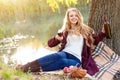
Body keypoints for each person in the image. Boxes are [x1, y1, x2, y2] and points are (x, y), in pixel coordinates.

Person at [16, 8, 105, 76]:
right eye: (71, 16)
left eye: (76, 15)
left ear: (79, 17)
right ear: (68, 18)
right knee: (56, 56)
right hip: (65, 52)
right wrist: (57, 38)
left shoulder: (86, 30)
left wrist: (103, 33)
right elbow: (49, 44)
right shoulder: (65, 31)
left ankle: (28, 69)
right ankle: (26, 66)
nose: (74, 17)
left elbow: (95, 40)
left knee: (62, 62)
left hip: (76, 59)